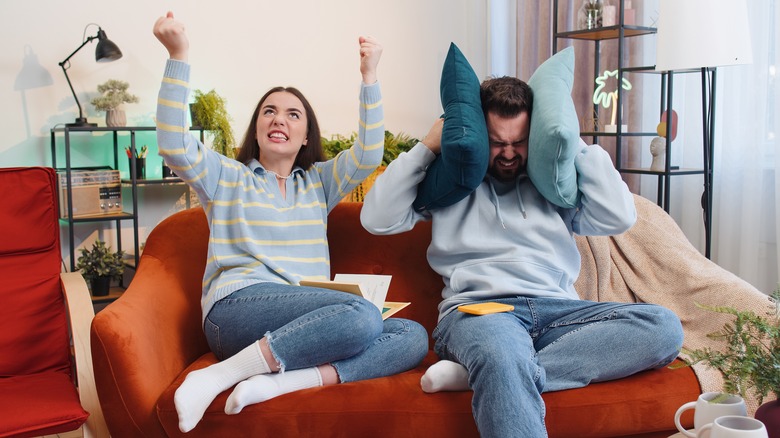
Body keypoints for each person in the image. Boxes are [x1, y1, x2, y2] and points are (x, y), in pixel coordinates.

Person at [361, 76, 684, 437]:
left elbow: (619, 216)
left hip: (560, 312)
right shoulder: (450, 182)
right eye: (498, 142)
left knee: (663, 327)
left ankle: (484, 375)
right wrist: (428, 146)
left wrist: (569, 139)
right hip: (481, 312)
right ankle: (497, 367)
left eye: (520, 141)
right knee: (501, 352)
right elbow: (376, 219)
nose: (510, 153)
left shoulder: (556, 181)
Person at [153, 12, 428, 434]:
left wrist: (369, 75)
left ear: (304, 138)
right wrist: (179, 54)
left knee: (412, 335)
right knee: (362, 316)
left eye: (292, 114)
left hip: (308, 322)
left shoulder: (318, 183)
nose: (279, 118)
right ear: (258, 127)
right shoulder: (227, 176)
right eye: (269, 111)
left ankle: (279, 383)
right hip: (236, 312)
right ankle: (219, 375)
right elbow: (173, 143)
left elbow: (370, 153)